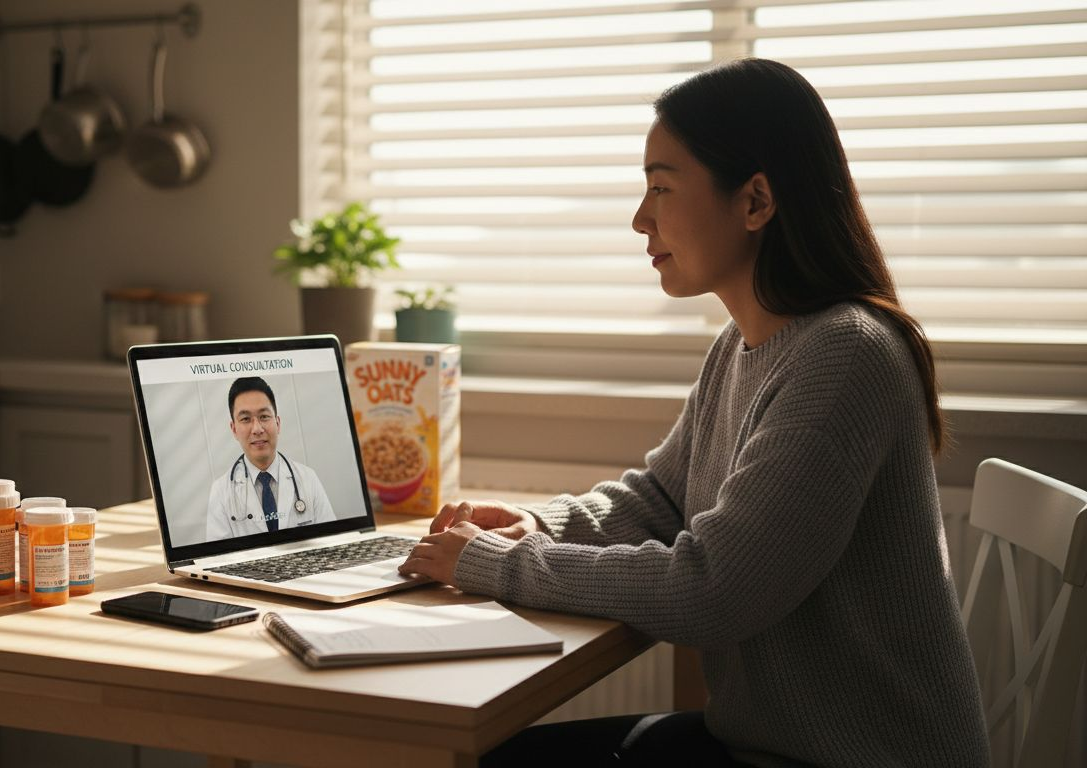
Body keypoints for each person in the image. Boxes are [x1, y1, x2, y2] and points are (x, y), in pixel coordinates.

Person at [398, 58, 990, 767]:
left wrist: (504, 565)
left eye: (660, 188)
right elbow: (662, 496)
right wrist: (540, 524)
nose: (640, 218)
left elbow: (718, 590)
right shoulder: (747, 344)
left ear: (756, 201)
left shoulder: (846, 356)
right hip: (762, 742)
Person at [206, 376, 335, 541]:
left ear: (278, 423)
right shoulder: (221, 492)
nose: (257, 429)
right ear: (234, 429)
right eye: (245, 419)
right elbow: (219, 560)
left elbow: (332, 542)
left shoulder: (308, 478)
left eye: (264, 416)